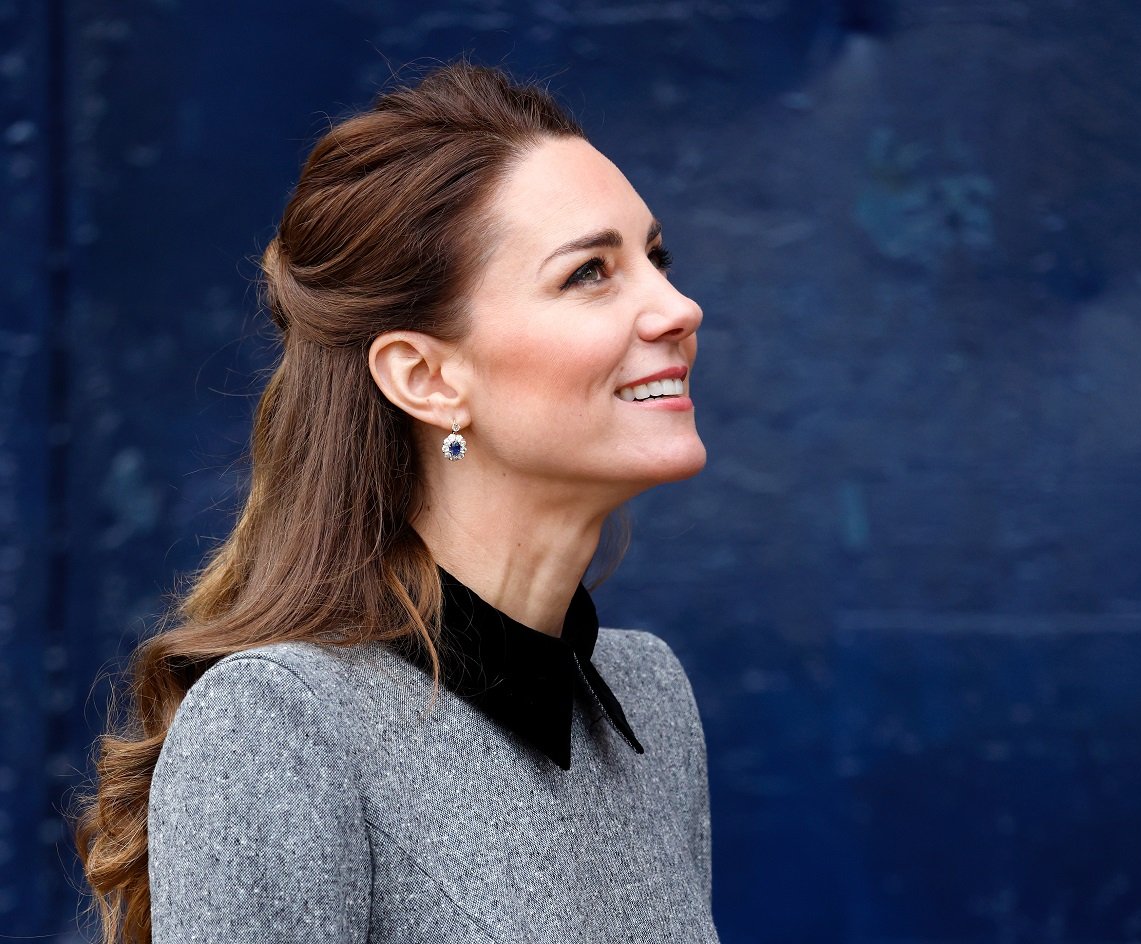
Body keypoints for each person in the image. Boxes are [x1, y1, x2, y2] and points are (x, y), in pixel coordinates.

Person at [74, 60, 718, 943]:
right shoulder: (282, 728)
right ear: (426, 377)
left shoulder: (647, 703)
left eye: (654, 258)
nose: (678, 307)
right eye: (589, 274)